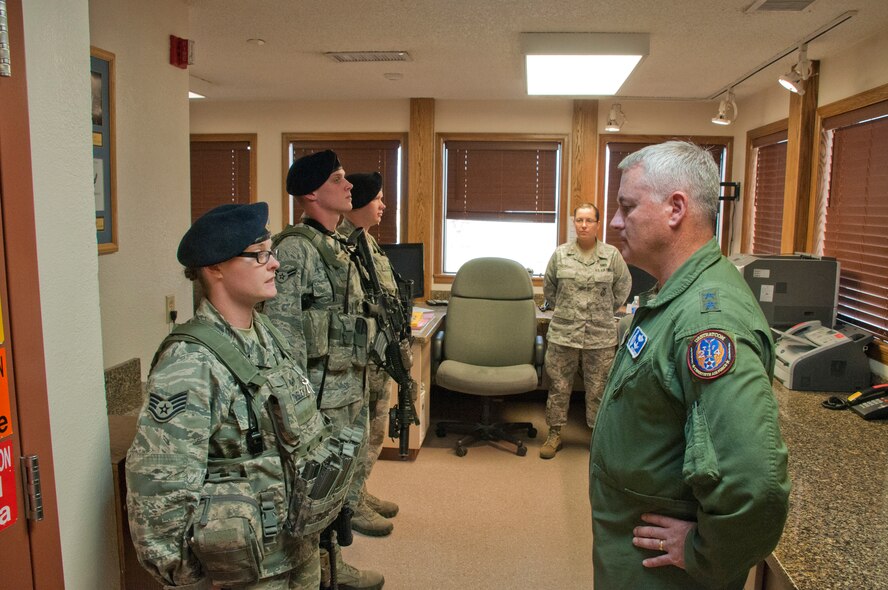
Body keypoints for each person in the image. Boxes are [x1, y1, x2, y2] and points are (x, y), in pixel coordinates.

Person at [589, 141, 791, 589]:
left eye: (626, 207)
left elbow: (755, 484)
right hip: (632, 549)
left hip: (665, 571)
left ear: (675, 208)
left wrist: (704, 551)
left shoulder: (706, 321)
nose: (616, 222)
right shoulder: (674, 295)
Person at [126, 202, 335, 589]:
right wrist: (202, 578)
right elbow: (158, 495)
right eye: (259, 255)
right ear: (215, 268)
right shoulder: (190, 363)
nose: (274, 264)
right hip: (246, 572)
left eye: (270, 252)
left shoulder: (267, 333)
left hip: (296, 546)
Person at [263, 150, 384, 590]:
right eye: (338, 179)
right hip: (317, 399)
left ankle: (334, 563)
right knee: (313, 493)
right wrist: (298, 415)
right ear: (312, 193)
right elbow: (285, 339)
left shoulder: (338, 245)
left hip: (347, 387)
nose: (349, 185)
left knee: (340, 488)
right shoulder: (294, 249)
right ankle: (320, 571)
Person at [337, 171, 412, 536]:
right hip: (357, 361)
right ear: (361, 202)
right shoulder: (341, 246)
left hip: (379, 357)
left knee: (374, 432)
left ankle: (360, 493)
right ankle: (350, 506)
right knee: (357, 436)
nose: (383, 205)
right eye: (378, 198)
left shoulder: (367, 242)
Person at [540, 203, 631, 459]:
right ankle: (554, 434)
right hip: (563, 332)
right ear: (574, 223)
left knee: (599, 389)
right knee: (558, 385)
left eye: (589, 220)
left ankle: (597, 437)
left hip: (599, 335)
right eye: (579, 220)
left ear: (597, 224)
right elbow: (550, 289)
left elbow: (623, 288)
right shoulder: (561, 255)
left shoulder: (611, 256)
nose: (583, 225)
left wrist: (601, 311)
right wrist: (568, 310)